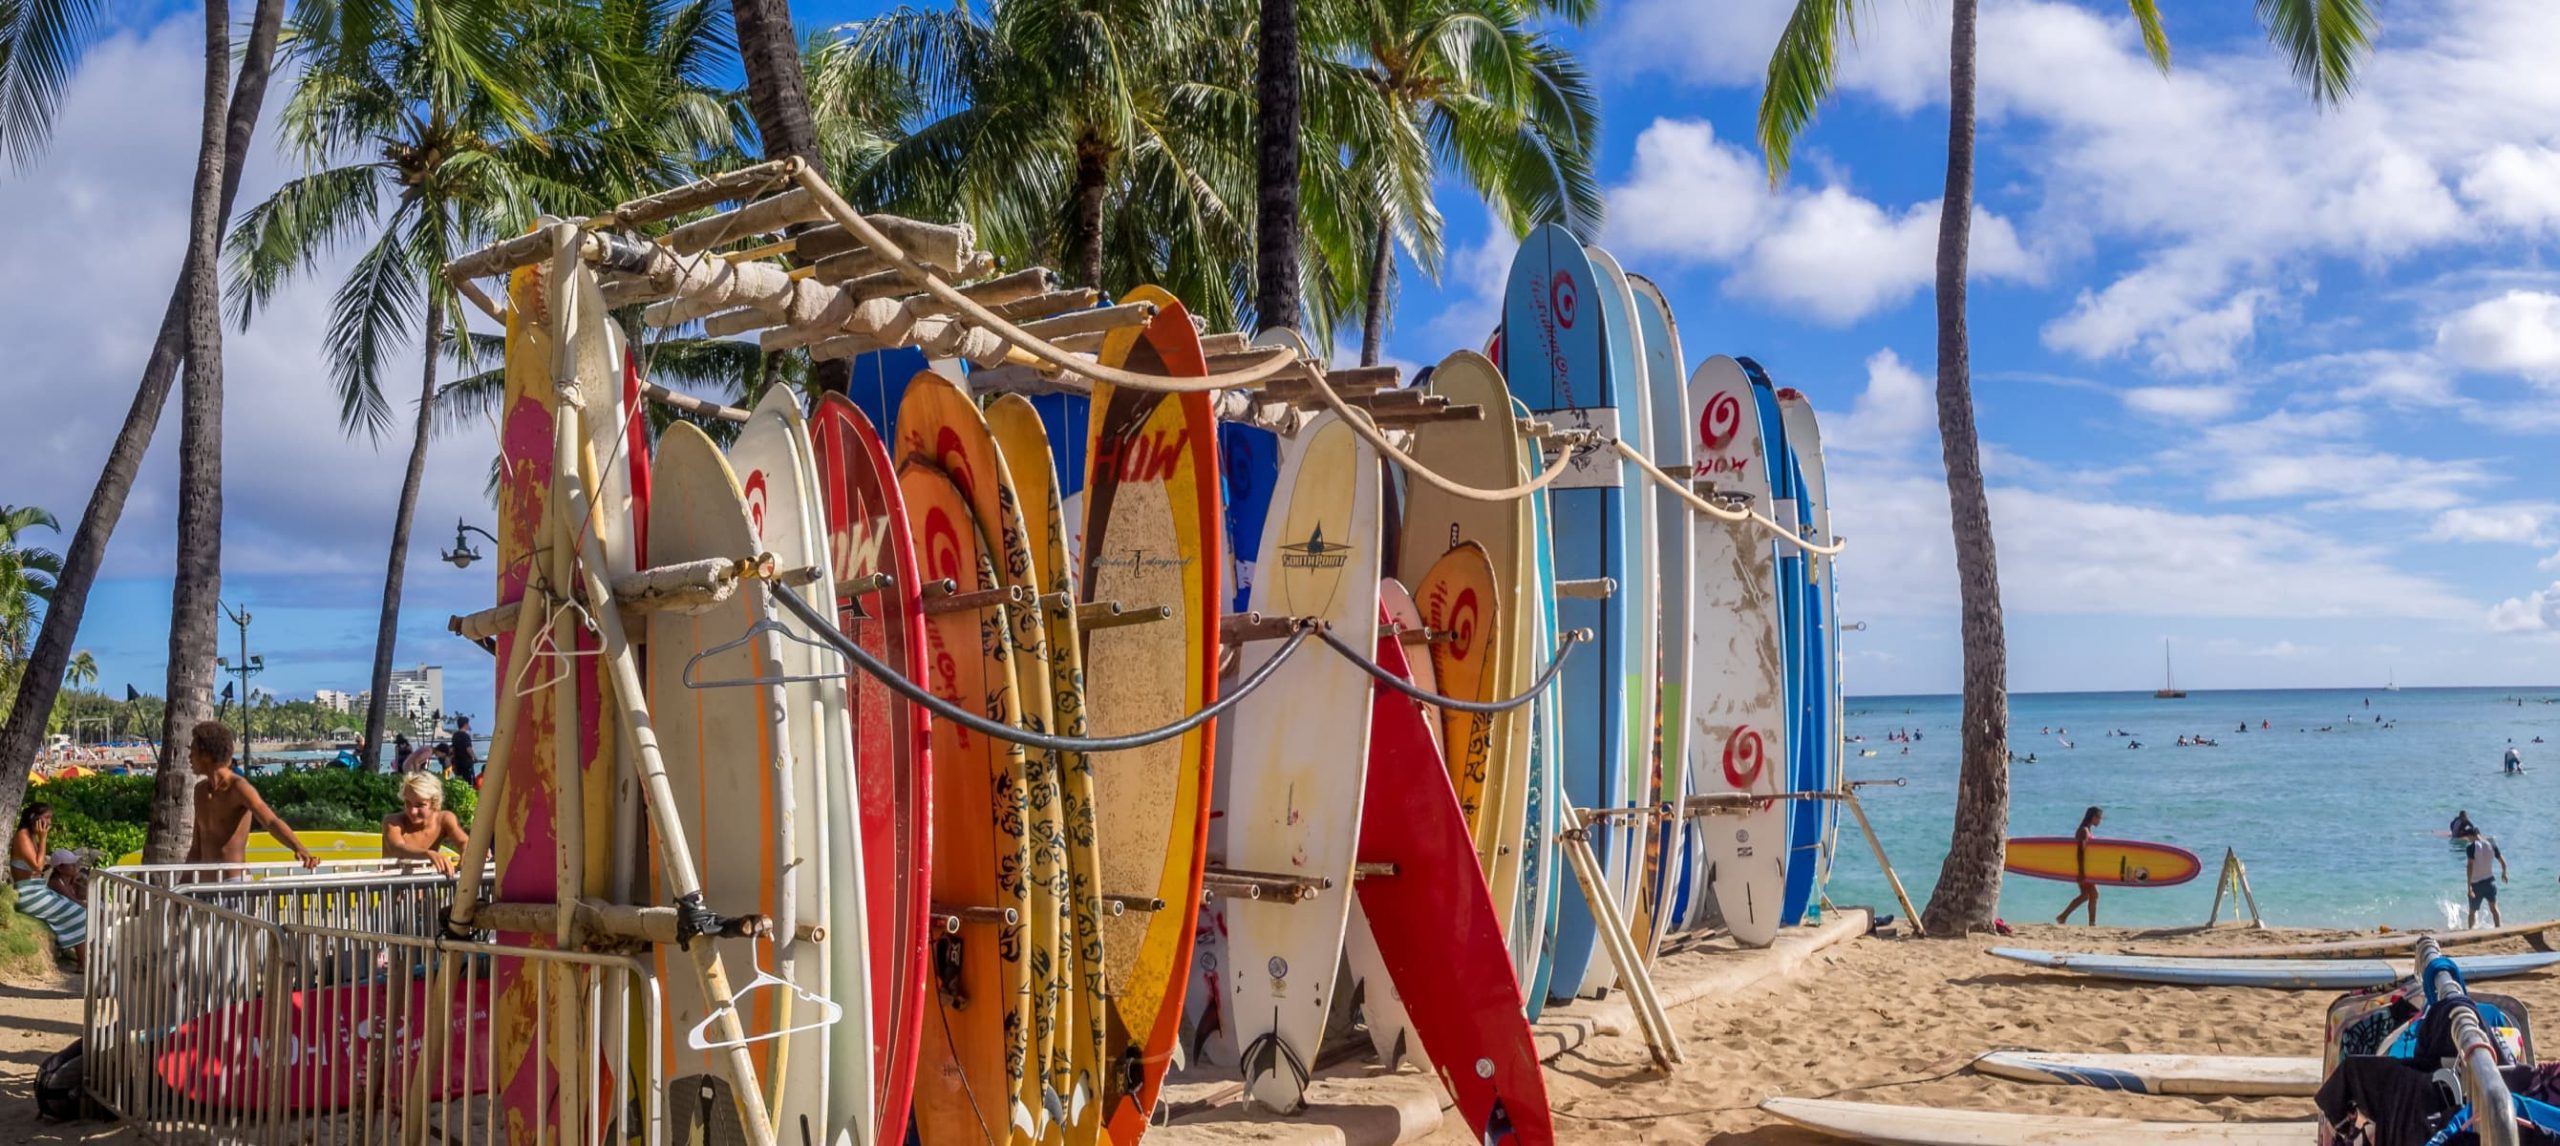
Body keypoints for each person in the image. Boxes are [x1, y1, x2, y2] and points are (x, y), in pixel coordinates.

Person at [187, 721, 317, 870]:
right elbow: (196, 849)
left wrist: (299, 848)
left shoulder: (238, 787)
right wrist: (179, 886)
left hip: (234, 884)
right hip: (203, 886)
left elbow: (270, 821)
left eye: (193, 751)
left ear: (206, 754)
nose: (190, 757)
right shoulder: (200, 791)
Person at [8, 804, 84, 967]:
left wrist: (41, 838)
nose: (50, 822)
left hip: (38, 890)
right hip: (28, 893)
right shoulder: (22, 836)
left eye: (51, 818)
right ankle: (84, 964)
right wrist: (43, 839)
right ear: (33, 817)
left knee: (80, 913)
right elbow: (38, 866)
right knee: (80, 914)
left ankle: (82, 963)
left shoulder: (31, 836)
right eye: (47, 817)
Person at [382, 772, 470, 875]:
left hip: (424, 887)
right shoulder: (393, 822)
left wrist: (467, 853)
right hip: (393, 887)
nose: (412, 811)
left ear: (434, 803)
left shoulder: (444, 819)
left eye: (420, 805)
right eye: (408, 803)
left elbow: (464, 842)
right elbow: (397, 848)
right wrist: (428, 854)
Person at [2056, 806, 2104, 926]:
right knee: (2092, 894)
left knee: (2086, 895)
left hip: (2084, 868)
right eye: (2099, 818)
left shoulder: (2086, 829)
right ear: (2093, 817)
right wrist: (2081, 872)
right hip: (2083, 868)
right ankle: (2090, 923)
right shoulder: (2084, 831)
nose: (2100, 821)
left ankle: (2063, 917)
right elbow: (2080, 852)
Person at [2461, 826, 2509, 928]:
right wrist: (2504, 873)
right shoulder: (2492, 845)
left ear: (2471, 836)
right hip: (2490, 882)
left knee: (2472, 912)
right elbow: (2503, 862)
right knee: (2494, 909)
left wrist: (2469, 886)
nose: (2468, 839)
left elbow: (2470, 866)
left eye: (2468, 837)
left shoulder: (2471, 848)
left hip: (2476, 884)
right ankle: (2498, 929)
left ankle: (2470, 932)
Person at [448, 716, 479, 787]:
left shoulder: (455, 735)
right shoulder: (465, 736)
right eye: (468, 724)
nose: (469, 725)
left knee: (460, 783)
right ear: (465, 724)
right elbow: (468, 748)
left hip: (458, 763)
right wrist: (475, 757)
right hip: (466, 763)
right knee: (469, 783)